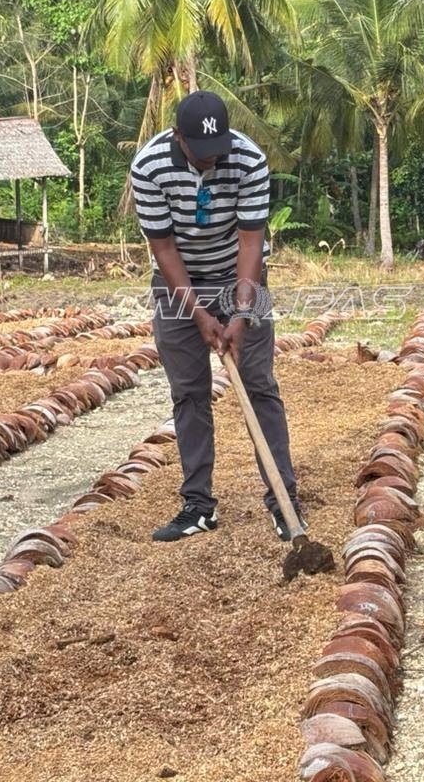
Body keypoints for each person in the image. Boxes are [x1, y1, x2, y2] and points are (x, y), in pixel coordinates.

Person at [130, 90, 304, 543]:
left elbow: (251, 243)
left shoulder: (248, 159)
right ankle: (198, 505)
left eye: (217, 152)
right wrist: (199, 315)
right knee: (189, 391)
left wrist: (241, 315)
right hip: (177, 281)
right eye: (201, 153)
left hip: (241, 274)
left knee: (259, 384)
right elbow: (163, 249)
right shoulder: (148, 167)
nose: (211, 161)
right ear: (178, 138)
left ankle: (283, 500)